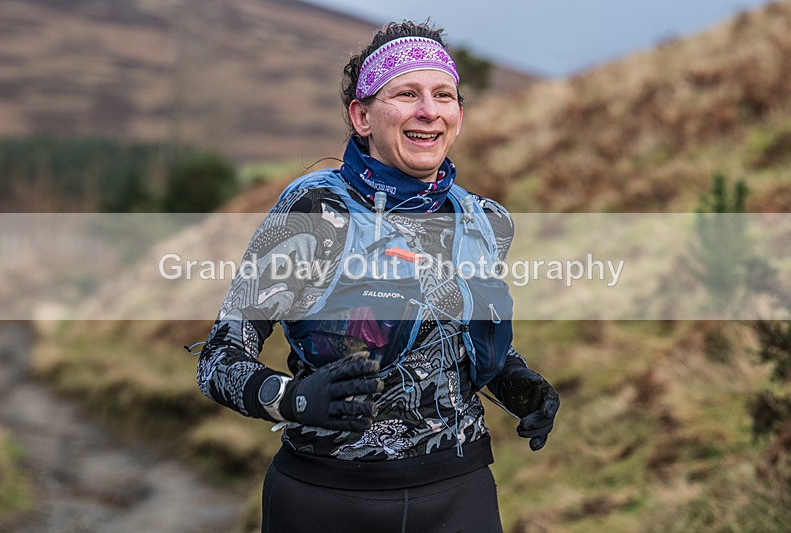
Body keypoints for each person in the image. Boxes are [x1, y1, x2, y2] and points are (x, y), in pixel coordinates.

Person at [196, 20, 559, 532]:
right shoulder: (314, 211)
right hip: (326, 499)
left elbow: (457, 340)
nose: (428, 111)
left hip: (461, 494)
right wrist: (290, 399)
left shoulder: (483, 220)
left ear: (458, 114)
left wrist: (516, 381)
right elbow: (218, 359)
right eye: (406, 93)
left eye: (443, 95)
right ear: (361, 115)